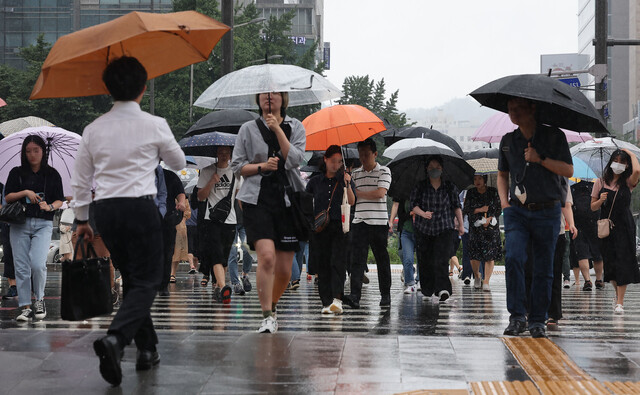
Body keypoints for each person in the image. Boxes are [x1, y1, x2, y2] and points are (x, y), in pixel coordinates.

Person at [71, 56, 186, 386]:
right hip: (140, 208)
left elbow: (81, 181)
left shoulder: (93, 129)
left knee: (135, 280)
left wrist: (82, 219)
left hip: (106, 210)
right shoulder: (154, 124)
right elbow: (178, 161)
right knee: (148, 281)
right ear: (144, 87)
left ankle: (147, 349)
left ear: (108, 89)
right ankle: (117, 339)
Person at [497, 97, 573, 339]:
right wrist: (505, 205)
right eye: (510, 109)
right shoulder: (508, 141)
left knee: (543, 267)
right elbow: (502, 174)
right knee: (514, 258)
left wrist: (539, 158)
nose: (513, 113)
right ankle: (517, 317)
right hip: (517, 211)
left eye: (518, 108)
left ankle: (538, 320)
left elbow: (568, 171)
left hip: (547, 210)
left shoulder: (554, 136)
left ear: (532, 108)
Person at [231, 91, 306, 333]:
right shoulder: (247, 129)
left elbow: (295, 160)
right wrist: (262, 166)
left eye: (274, 93)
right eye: (265, 93)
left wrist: (278, 130)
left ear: (283, 98)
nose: (269, 97)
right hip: (257, 200)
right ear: (258, 98)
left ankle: (273, 305)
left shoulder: (296, 127)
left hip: (287, 201)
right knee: (267, 257)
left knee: (285, 268)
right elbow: (237, 166)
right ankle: (266, 316)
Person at [5, 134, 64, 322]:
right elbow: (7, 197)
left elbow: (60, 199)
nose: (32, 155)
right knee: (21, 267)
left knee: (37, 264)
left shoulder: (52, 174)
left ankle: (39, 299)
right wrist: (25, 192)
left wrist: (50, 207)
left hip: (43, 224)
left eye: (36, 150)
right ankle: (25, 306)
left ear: (43, 151)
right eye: (28, 151)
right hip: (19, 223)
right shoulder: (16, 172)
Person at [306, 145, 355, 314]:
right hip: (320, 229)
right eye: (333, 161)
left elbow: (352, 201)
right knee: (323, 264)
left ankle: (337, 299)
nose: (336, 165)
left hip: (339, 226)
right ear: (325, 160)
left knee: (338, 263)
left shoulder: (344, 179)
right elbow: (306, 203)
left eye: (339, 162)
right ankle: (326, 302)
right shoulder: (314, 181)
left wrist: (347, 184)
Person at [344, 138, 392, 309]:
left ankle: (385, 295)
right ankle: (355, 296)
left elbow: (380, 193)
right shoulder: (355, 174)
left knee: (382, 259)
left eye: (366, 154)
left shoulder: (384, 171)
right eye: (361, 154)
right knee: (357, 261)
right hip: (359, 222)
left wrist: (359, 193)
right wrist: (349, 184)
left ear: (375, 154)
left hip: (378, 223)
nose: (363, 158)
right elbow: (351, 200)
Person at [590, 149, 640, 313]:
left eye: (622, 161)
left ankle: (620, 302)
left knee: (623, 262)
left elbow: (638, 170)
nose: (618, 164)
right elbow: (592, 206)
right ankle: (617, 293)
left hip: (625, 226)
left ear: (627, 165)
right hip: (607, 228)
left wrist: (629, 154)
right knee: (610, 264)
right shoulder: (600, 182)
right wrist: (601, 200)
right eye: (616, 160)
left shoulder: (628, 182)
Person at [410, 156, 464, 303]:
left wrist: (461, 225)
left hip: (444, 227)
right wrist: (423, 213)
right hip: (424, 228)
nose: (435, 169)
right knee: (425, 260)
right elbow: (413, 205)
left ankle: (443, 289)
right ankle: (428, 288)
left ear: (442, 168)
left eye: (438, 166)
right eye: (432, 166)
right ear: (427, 169)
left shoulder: (449, 187)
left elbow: (456, 206)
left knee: (441, 259)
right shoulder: (420, 186)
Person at [197, 146, 237, 304]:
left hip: (230, 220)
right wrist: (211, 182)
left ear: (230, 155)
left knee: (225, 257)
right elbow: (200, 197)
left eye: (226, 152)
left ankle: (218, 286)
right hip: (211, 220)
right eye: (220, 152)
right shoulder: (207, 171)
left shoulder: (236, 171)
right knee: (216, 254)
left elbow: (238, 196)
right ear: (216, 153)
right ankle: (223, 286)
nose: (223, 155)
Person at [463, 174, 502, 291]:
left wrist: (489, 219)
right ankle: (477, 276)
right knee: (474, 255)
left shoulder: (493, 191)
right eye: (475, 179)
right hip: (475, 228)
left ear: (485, 179)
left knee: (490, 255)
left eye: (480, 178)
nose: (477, 181)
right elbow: (466, 209)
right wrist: (480, 210)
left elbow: (498, 208)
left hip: (490, 228)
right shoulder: (470, 192)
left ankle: (486, 281)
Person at [159, 168, 186, 296]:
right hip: (145, 219)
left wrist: (181, 202)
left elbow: (180, 192)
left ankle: (163, 285)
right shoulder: (141, 173)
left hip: (167, 219)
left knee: (167, 252)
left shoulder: (169, 175)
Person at [570, 180, 602, 289]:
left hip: (578, 224)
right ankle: (598, 279)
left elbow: (569, 205)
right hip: (594, 223)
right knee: (597, 255)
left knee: (582, 254)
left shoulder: (573, 188)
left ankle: (587, 281)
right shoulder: (596, 186)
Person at [389, 199, 417, 294]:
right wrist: (411, 213)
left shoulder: (423, 192)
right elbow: (398, 209)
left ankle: (420, 281)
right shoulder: (402, 194)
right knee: (406, 257)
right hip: (405, 230)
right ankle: (410, 281)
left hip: (421, 230)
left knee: (422, 258)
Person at [1, 182, 17, 300]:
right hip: (6, 222)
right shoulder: (2, 184)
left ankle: (30, 285)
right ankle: (13, 286)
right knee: (8, 255)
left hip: (23, 221)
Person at [170, 198, 191, 283]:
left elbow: (187, 212)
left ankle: (173, 273)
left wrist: (182, 221)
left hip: (179, 225)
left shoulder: (183, 198)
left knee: (178, 250)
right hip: (166, 223)